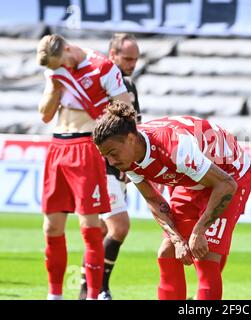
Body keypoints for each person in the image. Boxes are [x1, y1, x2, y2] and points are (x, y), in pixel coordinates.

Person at [92, 102, 251, 300]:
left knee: (205, 255)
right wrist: (177, 239)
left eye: (113, 153)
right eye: (105, 156)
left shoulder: (176, 148)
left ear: (131, 139)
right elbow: (152, 198)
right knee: (168, 251)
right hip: (191, 179)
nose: (111, 162)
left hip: (230, 176)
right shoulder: (128, 158)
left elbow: (226, 185)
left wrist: (199, 230)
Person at [36, 34, 130, 300]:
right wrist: (55, 87)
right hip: (57, 147)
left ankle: (91, 295)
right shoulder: (55, 71)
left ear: (68, 48)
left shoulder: (102, 67)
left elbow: (125, 107)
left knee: (90, 227)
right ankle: (54, 295)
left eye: (60, 63)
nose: (57, 69)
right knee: (51, 227)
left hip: (86, 147)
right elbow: (44, 115)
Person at [79, 33, 142, 300]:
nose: (132, 63)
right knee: (119, 227)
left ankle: (87, 289)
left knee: (103, 230)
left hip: (117, 166)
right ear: (112, 55)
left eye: (136, 59)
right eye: (127, 58)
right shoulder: (104, 83)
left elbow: (133, 125)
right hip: (103, 164)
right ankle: (99, 288)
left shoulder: (128, 84)